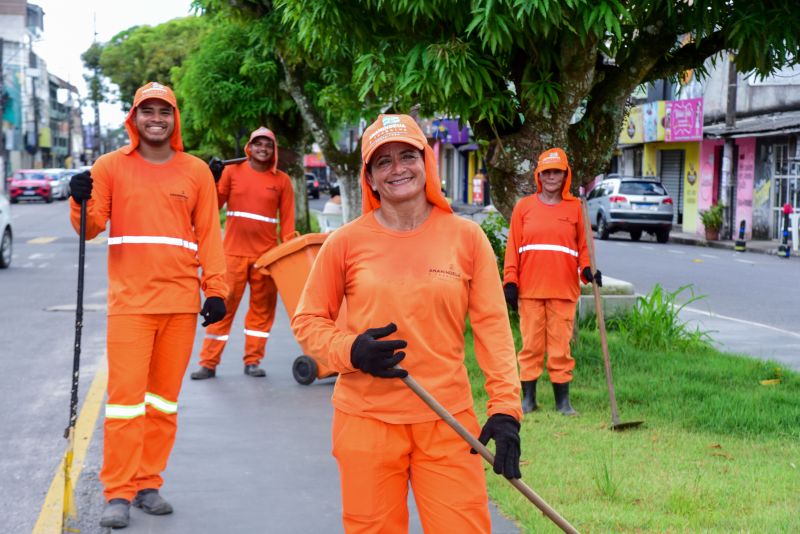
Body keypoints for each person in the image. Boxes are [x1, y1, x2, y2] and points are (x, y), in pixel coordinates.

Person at [292, 114, 522, 533]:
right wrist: (352, 351)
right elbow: (308, 320)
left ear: (426, 162)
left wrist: (506, 410)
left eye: (406, 156)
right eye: (383, 162)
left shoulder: (466, 238)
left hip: (446, 419)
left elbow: (493, 331)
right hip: (366, 421)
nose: (398, 169)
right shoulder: (345, 242)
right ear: (371, 179)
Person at [68, 81, 228, 529]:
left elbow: (210, 236)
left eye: (164, 111)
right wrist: (79, 198)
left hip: (180, 306)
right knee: (124, 404)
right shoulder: (110, 167)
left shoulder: (195, 171)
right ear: (134, 118)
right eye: (147, 111)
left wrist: (216, 290)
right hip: (131, 306)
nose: (156, 118)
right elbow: (91, 228)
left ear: (175, 119)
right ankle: (116, 493)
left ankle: (147, 483)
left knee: (162, 403)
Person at [503, 148, 602, 416]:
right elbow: (512, 247)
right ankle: (529, 399)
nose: (551, 177)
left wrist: (589, 272)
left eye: (556, 172)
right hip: (530, 291)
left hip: (563, 290)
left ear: (565, 175)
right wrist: (510, 281)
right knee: (531, 346)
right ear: (538, 175)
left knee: (560, 347)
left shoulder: (576, 208)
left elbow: (584, 249)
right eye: (546, 172)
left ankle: (563, 403)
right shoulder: (523, 208)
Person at [191, 127, 296, 379]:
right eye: (258, 144)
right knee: (221, 309)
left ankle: (253, 360)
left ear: (274, 150)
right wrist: (213, 178)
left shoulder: (281, 180)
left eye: (268, 145)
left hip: (266, 258)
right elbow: (213, 206)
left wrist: (290, 256)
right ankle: (208, 362)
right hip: (233, 255)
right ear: (249, 147)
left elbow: (289, 223)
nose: (263, 149)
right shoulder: (231, 172)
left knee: (261, 312)